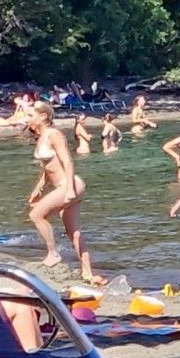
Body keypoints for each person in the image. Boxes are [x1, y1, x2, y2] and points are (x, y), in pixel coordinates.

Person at [27, 102, 106, 285]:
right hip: (63, 186)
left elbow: (68, 162)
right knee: (74, 233)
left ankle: (53, 253)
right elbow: (47, 169)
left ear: (43, 116)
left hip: (70, 184)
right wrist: (37, 189)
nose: (27, 118)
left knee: (36, 215)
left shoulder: (54, 134)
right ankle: (87, 273)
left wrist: (69, 188)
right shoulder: (41, 137)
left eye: (31, 114)